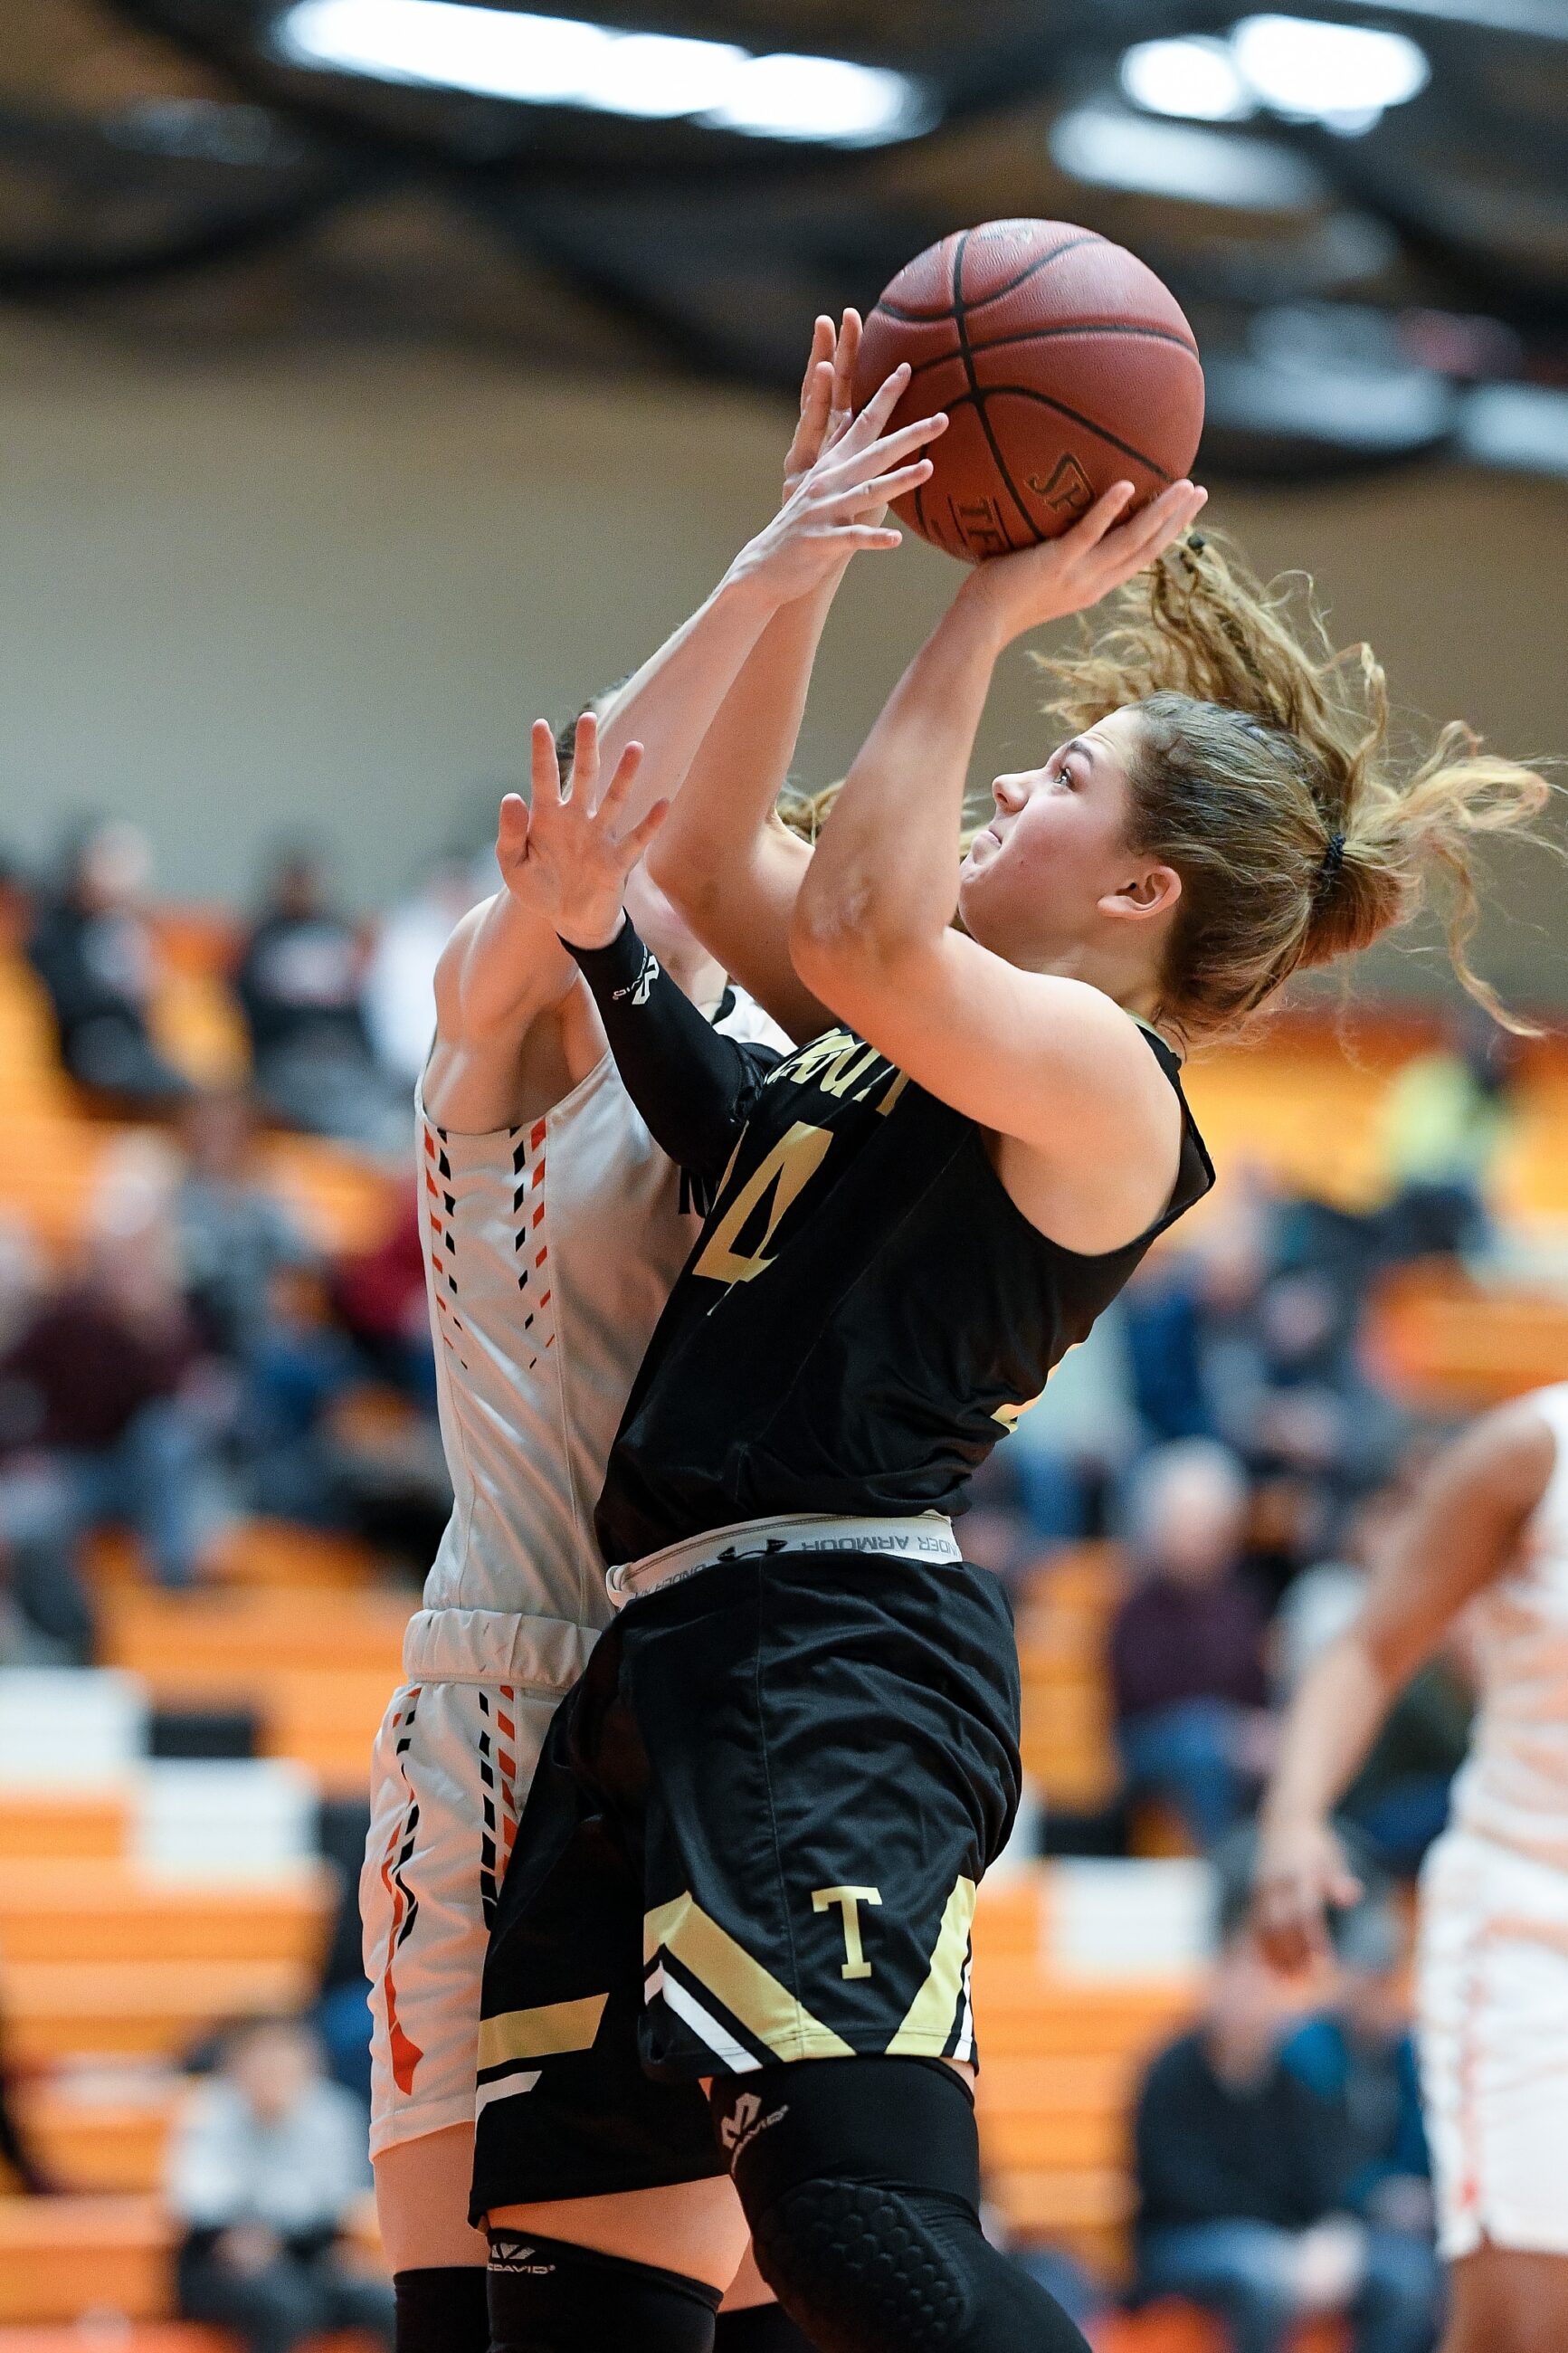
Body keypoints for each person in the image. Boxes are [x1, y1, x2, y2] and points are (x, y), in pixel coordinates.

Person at [468, 290, 1551, 2353]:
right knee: (575, 2283)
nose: (995, 788)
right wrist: (811, 544)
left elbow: (860, 921)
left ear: (1137, 895)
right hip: (667, 1649)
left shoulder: (1100, 1083)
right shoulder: (909, 1031)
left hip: (829, 1656)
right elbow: (719, 850)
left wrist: (978, 603)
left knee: (856, 2239)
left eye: (1055, 777)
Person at [360, 311, 926, 2353]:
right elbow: (602, 800)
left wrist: (837, 572)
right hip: (521, 1689)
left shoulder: (805, 1078)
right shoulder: (509, 1011)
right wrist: (781, 560)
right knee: (483, 2319)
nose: (665, 817)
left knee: (799, 2297)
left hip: (754, 1696)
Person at [1254, 1387, 1568, 2353]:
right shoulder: (1527, 1452)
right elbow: (1369, 1644)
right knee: (1522, 2325)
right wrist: (1292, 1817)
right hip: (1529, 1922)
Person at [1135, 1922, 1436, 2353]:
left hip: (1284, 2242)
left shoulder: (1291, 2081)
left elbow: (1319, 2179)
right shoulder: (1171, 2074)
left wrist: (1326, 2235)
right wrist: (1284, 2239)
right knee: (1262, 2274)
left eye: (1264, 1985)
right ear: (1215, 1985)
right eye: (1243, 1982)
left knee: (1406, 2276)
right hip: (1182, 2243)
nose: (1252, 1999)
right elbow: (1175, 2188)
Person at [167, 2014, 394, 2353]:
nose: (273, 2072)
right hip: (220, 2258)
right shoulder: (207, 2110)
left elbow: (341, 2202)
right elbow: (200, 2206)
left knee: (387, 2303)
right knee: (284, 2305)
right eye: (262, 2060)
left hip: (311, 2255)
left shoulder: (334, 2113)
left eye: (284, 2060)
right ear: (236, 2065)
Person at [1109, 1439, 1270, 1849]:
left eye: (1209, 1526)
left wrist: (1259, 1731)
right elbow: (1147, 1695)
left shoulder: (1241, 1604)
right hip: (1148, 1745)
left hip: (1229, 1739)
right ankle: (1220, 1864)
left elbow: (1254, 1688)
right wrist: (1229, 1730)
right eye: (1188, 1525)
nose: (1200, 1538)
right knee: (1202, 1745)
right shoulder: (1136, 1609)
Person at [236, 848, 408, 1154]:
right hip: (287, 1058)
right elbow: (251, 1011)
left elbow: (357, 1008)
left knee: (396, 1089)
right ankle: (365, 1146)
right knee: (331, 1099)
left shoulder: (337, 934)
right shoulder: (262, 939)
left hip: (343, 1056)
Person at [26, 818, 189, 1111]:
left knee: (195, 1090)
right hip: (87, 1047)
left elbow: (148, 1002)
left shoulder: (123, 928)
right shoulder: (56, 929)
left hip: (132, 1045)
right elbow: (69, 999)